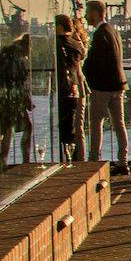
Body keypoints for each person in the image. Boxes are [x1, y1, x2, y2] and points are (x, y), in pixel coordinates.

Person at [83, 0, 129, 176]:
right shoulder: (114, 32)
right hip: (118, 84)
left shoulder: (100, 34)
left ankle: (94, 161)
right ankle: (123, 161)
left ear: (95, 13)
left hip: (102, 86)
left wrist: (86, 75)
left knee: (96, 123)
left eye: (87, 13)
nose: (86, 17)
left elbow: (95, 61)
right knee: (119, 124)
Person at [0, 30, 34, 169]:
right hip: (13, 99)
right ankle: (25, 161)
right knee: (24, 128)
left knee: (8, 130)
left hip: (7, 98)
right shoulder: (16, 59)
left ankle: (3, 161)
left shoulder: (9, 54)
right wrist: (26, 98)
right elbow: (18, 81)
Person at [53, 14, 86, 162]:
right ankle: (73, 157)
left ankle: (64, 157)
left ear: (59, 27)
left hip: (61, 88)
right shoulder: (77, 45)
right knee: (72, 124)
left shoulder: (56, 43)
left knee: (61, 124)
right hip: (74, 87)